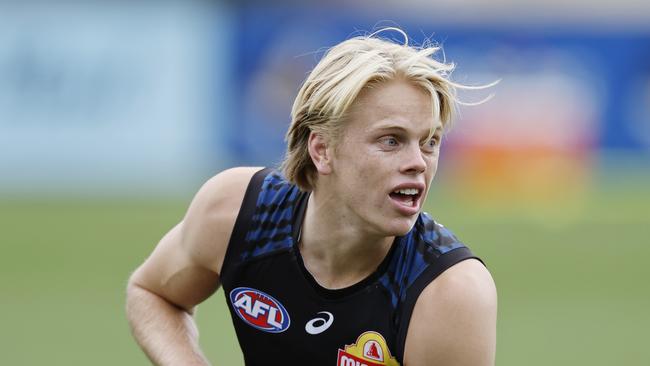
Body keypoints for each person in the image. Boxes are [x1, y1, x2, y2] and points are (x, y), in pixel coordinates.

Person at [126, 28, 497, 366]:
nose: (418, 162)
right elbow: (152, 294)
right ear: (322, 150)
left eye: (429, 142)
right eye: (391, 140)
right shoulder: (238, 211)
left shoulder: (449, 292)